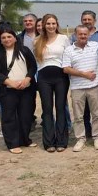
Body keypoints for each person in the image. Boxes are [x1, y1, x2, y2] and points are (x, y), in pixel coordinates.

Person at [0, 28, 37, 154]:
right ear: (0, 40)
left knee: (25, 116)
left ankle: (25, 140)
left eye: (9, 37)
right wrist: (10, 82)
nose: (7, 39)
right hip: (7, 90)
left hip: (26, 89)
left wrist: (27, 79)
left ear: (15, 38)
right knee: (9, 117)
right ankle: (12, 143)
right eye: (3, 38)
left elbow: (33, 66)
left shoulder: (24, 51)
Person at [34, 14, 71, 152]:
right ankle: (49, 142)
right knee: (47, 109)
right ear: (43, 25)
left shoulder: (64, 38)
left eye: (53, 23)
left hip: (60, 77)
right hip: (44, 77)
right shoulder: (37, 40)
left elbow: (68, 56)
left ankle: (61, 141)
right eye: (48, 24)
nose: (51, 26)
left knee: (60, 108)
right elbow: (37, 62)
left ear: (57, 24)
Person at [62, 25, 98, 151]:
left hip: (94, 86)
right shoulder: (69, 50)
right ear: (75, 34)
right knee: (78, 116)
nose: (83, 36)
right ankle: (80, 139)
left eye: (85, 34)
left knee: (96, 114)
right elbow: (66, 69)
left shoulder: (96, 46)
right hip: (77, 88)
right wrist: (84, 74)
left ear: (89, 35)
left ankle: (97, 137)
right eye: (80, 34)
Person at [74, 10, 98, 138]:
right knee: (84, 109)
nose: (87, 21)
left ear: (94, 21)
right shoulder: (75, 35)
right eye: (84, 19)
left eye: (89, 19)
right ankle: (87, 131)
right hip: (80, 78)